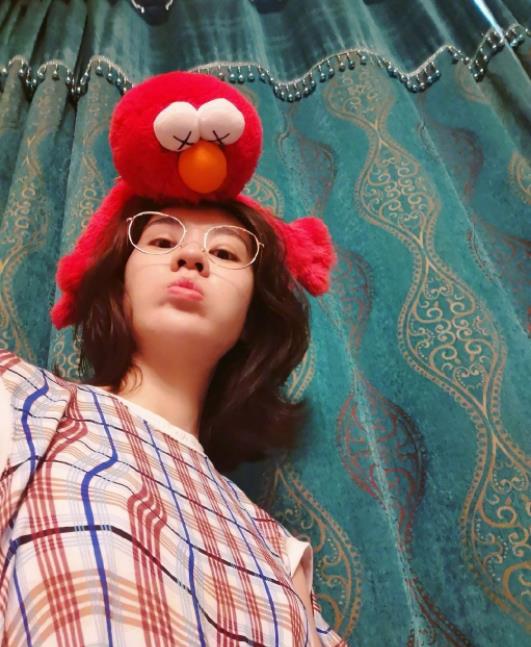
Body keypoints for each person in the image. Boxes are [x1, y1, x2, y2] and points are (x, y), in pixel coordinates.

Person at [0, 71, 346, 646]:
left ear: (251, 316)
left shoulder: (279, 552)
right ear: (119, 285)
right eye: (161, 242)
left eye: (226, 253)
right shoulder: (16, 399)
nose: (192, 257)